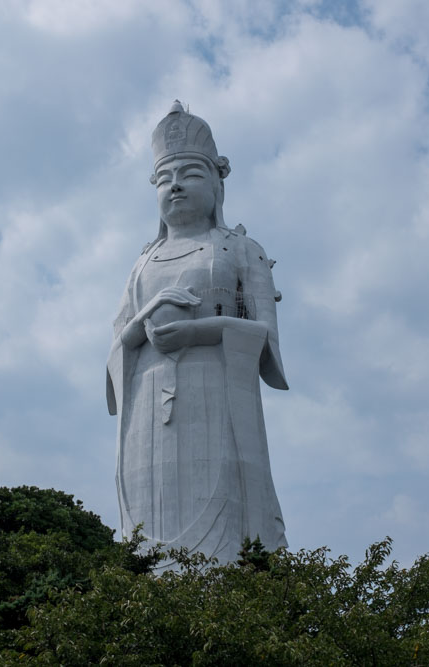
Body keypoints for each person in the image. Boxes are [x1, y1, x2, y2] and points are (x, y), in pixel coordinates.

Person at [107, 101, 288, 568]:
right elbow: (116, 346)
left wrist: (197, 331)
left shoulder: (240, 249)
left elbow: (264, 337)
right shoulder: (141, 263)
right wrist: (146, 316)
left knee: (225, 514)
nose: (176, 185)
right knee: (150, 523)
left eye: (190, 173)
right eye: (165, 177)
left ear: (217, 184)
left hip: (216, 394)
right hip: (148, 403)